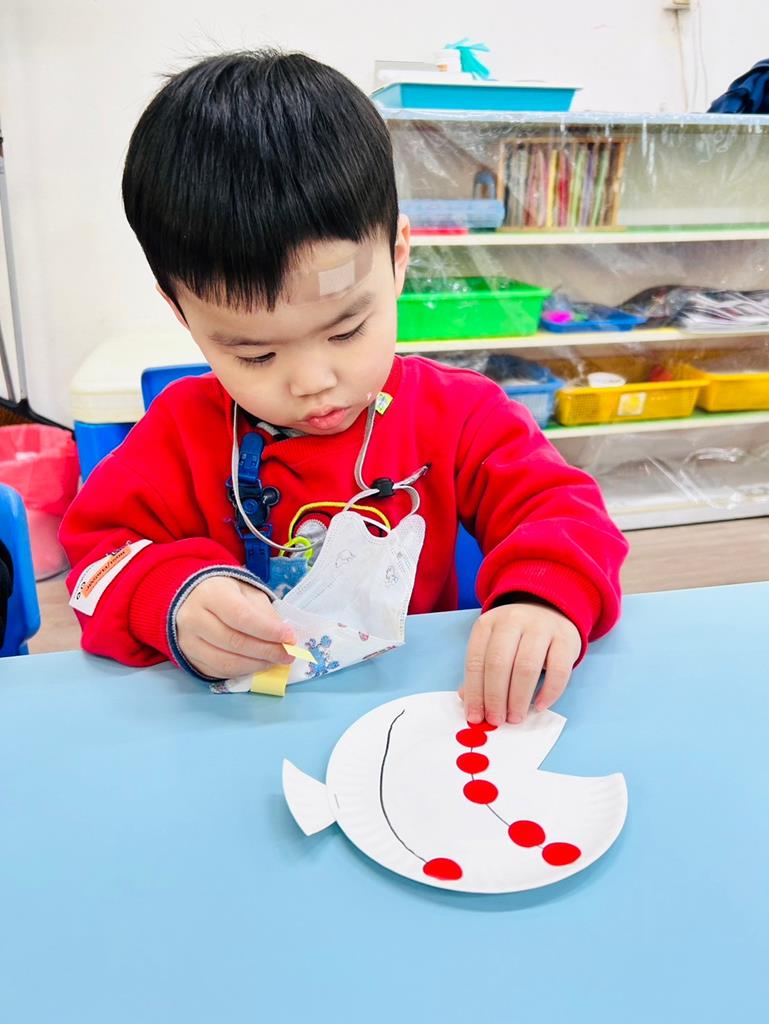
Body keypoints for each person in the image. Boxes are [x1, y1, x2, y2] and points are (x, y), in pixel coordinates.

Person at [60, 50, 629, 727]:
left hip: (419, 716)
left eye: (346, 330)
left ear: (397, 257)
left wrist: (541, 598)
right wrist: (171, 599)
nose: (314, 382)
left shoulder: (459, 413)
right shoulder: (180, 433)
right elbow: (97, 563)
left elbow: (564, 512)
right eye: (255, 353)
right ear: (181, 312)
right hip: (239, 729)